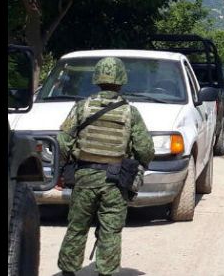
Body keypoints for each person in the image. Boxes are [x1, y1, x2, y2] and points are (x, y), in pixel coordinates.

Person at [56, 57, 154, 276]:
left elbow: (62, 142)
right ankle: (106, 272)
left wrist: (66, 166)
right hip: (115, 181)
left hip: (84, 178)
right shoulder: (130, 112)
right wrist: (139, 165)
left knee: (77, 227)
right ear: (122, 80)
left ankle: (68, 271)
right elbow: (145, 149)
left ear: (97, 79)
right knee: (111, 230)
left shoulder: (81, 107)